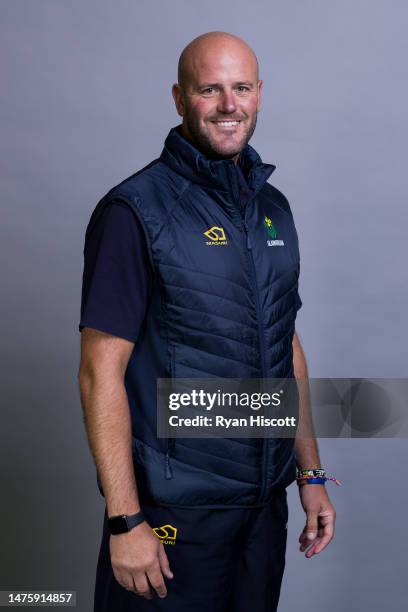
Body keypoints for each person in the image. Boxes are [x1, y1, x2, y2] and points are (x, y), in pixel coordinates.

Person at [78, 31, 336, 612]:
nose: (228, 104)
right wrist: (126, 521)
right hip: (174, 518)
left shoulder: (274, 209)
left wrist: (310, 474)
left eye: (241, 87)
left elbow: (284, 344)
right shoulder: (135, 212)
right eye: (209, 89)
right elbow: (99, 374)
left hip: (261, 510)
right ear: (179, 98)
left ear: (259, 94)